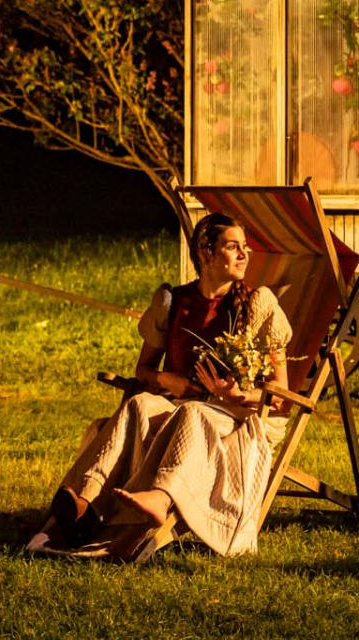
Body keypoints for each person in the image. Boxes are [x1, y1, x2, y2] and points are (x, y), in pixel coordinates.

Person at [28, 212, 293, 563]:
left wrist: (237, 394)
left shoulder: (259, 304)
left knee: (193, 412)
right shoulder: (174, 302)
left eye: (245, 247)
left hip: (233, 413)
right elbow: (144, 370)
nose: (244, 254)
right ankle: (84, 501)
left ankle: (161, 496)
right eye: (233, 247)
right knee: (139, 403)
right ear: (206, 253)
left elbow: (280, 392)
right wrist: (168, 380)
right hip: (177, 404)